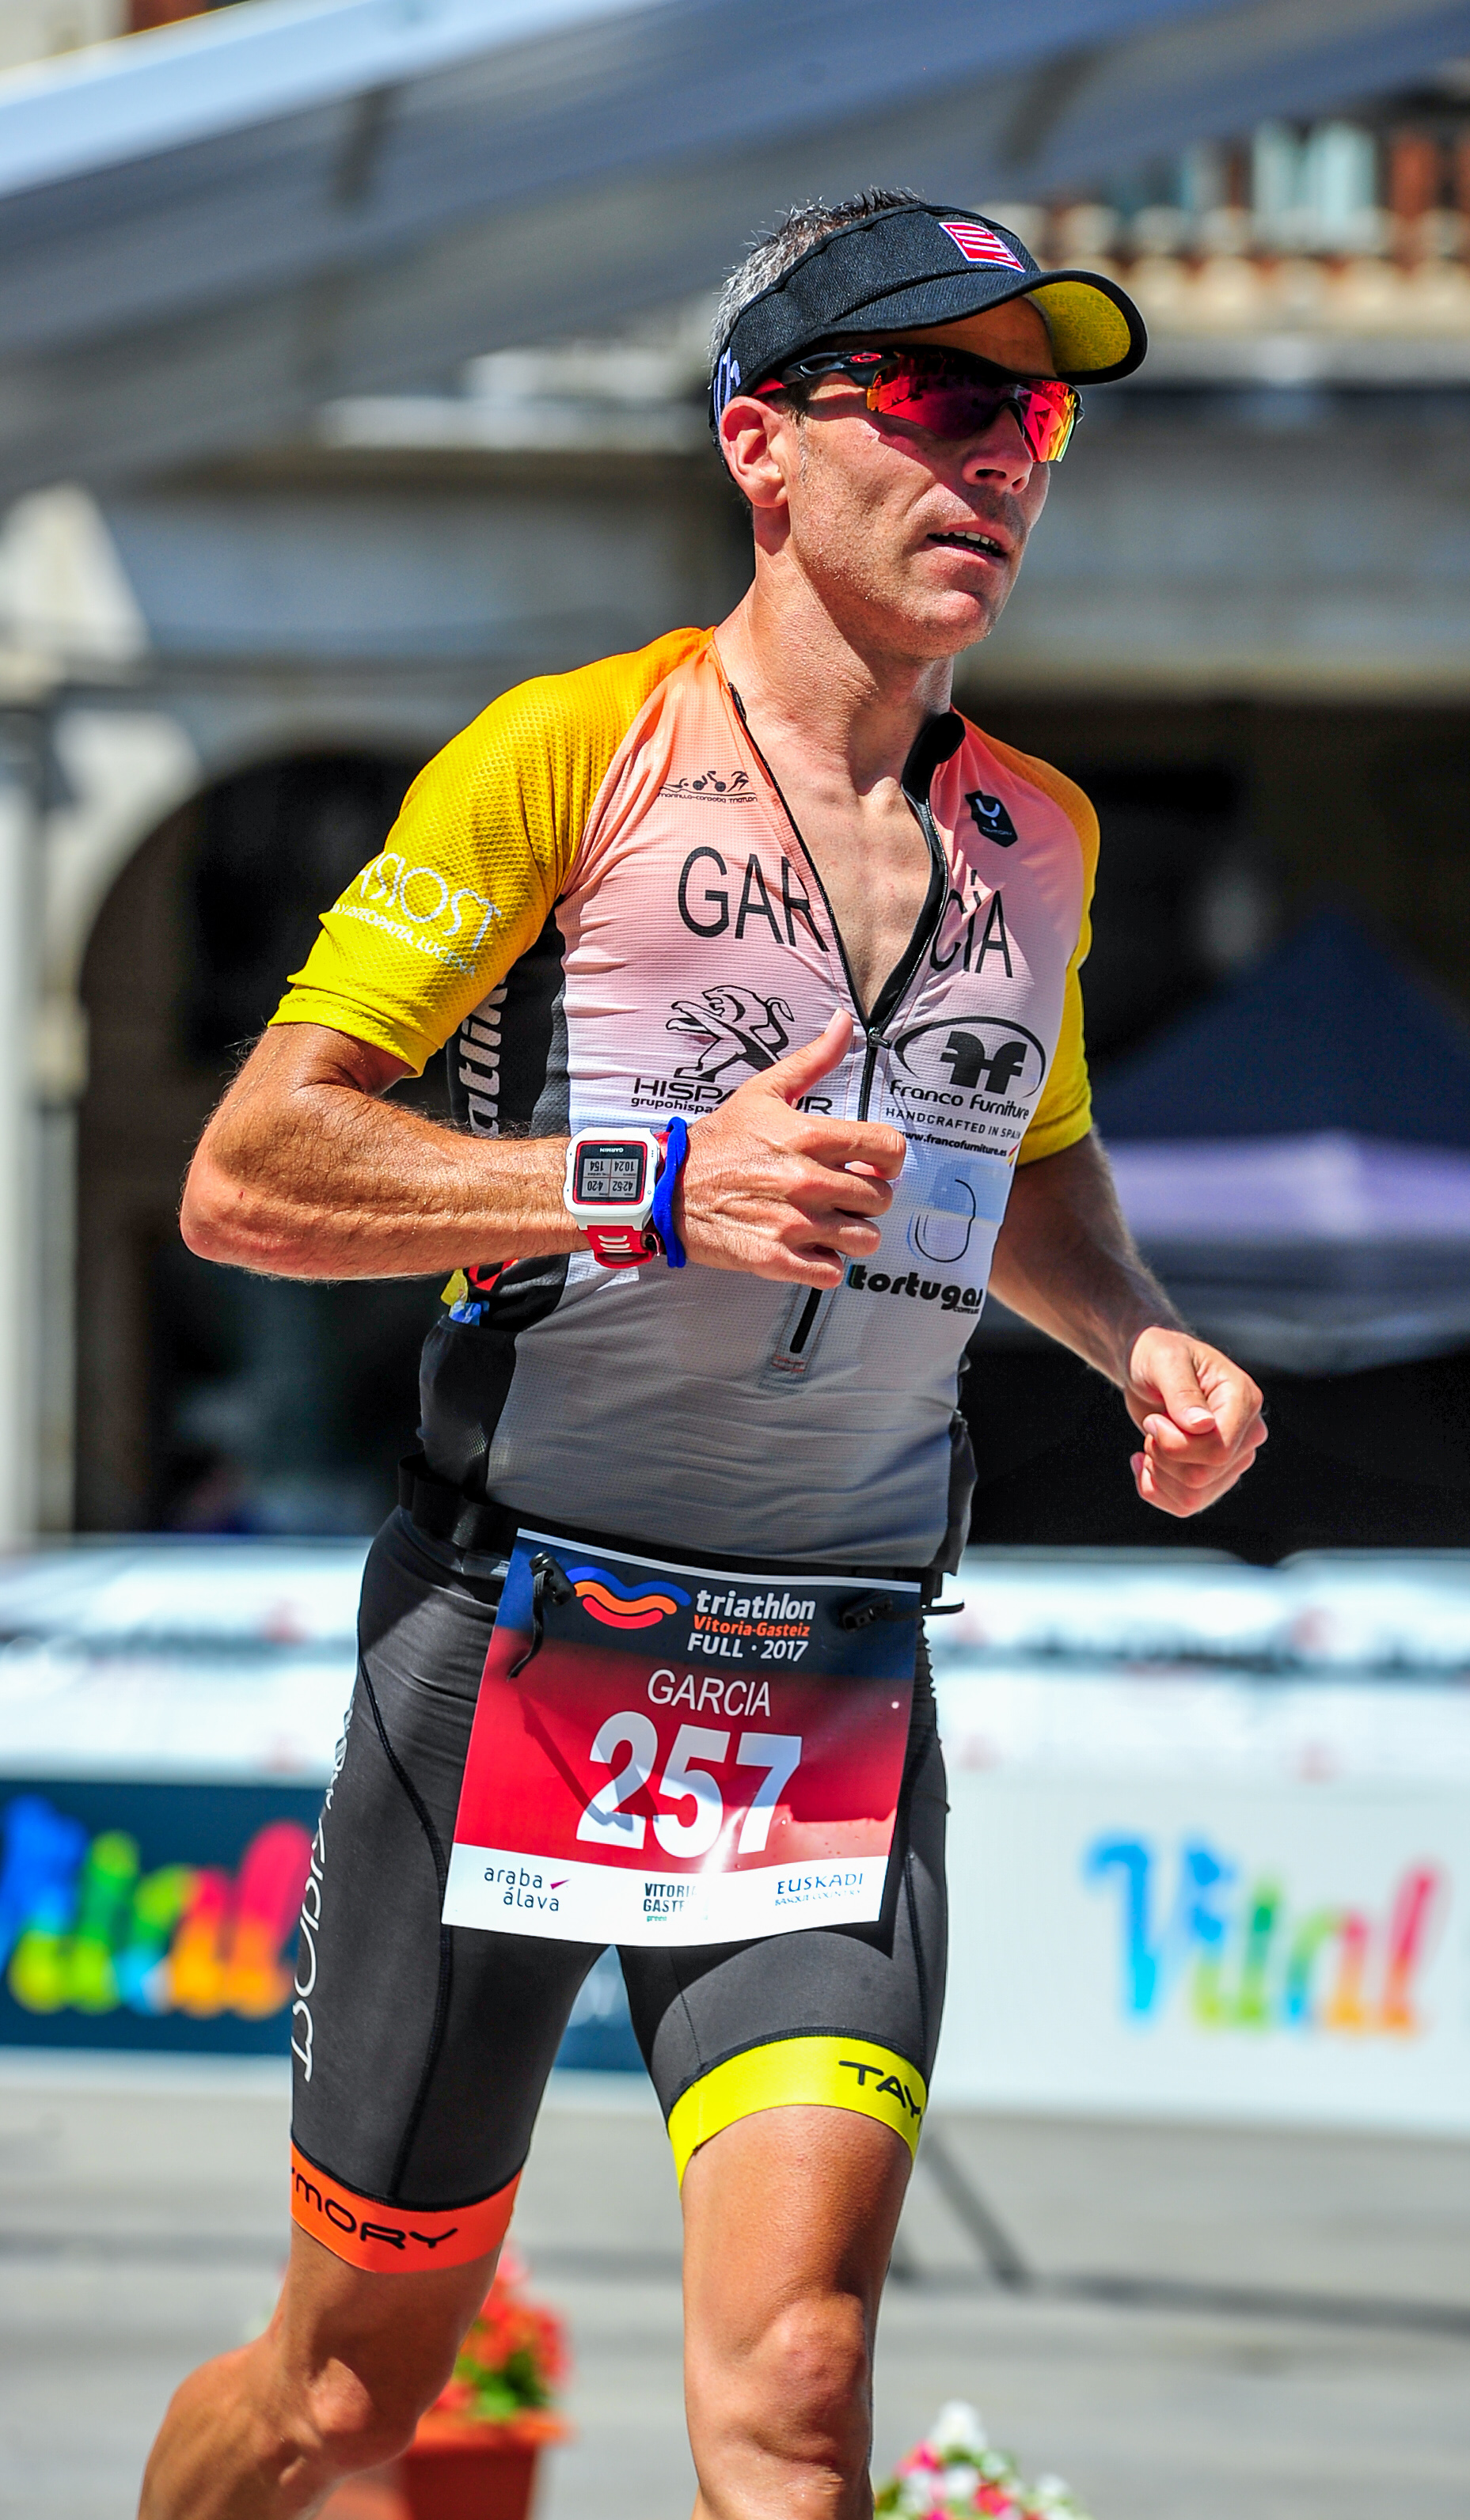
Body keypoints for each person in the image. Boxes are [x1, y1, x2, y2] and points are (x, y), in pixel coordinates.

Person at [141, 188, 1265, 2519]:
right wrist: (646, 1183)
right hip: (511, 1649)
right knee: (345, 2400)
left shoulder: (1036, 838)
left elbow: (1027, 1169)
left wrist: (1144, 1334)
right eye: (936, 398)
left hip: (826, 1673)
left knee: (800, 2383)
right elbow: (250, 1175)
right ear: (763, 444)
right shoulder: (570, 754)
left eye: (1037, 420)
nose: (1001, 459)